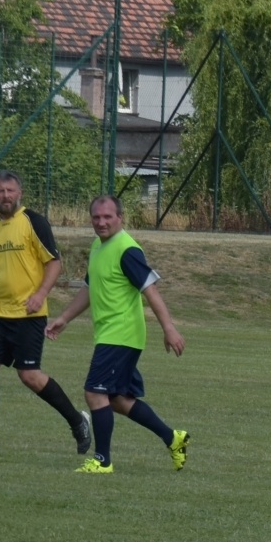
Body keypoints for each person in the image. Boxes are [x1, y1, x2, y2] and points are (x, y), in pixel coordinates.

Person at [44, 196, 189, 475]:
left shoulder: (127, 250)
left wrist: (169, 328)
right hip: (111, 335)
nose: (101, 222)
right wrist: (64, 318)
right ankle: (173, 438)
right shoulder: (99, 246)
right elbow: (90, 287)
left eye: (107, 217)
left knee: (94, 392)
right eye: (96, 217)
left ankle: (102, 460)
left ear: (120, 218)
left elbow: (151, 291)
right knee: (117, 400)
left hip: (121, 335)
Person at [0, 170, 92, 454]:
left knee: (29, 375)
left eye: (10, 190)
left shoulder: (33, 222)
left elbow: (54, 264)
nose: (5, 196)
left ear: (20, 193)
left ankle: (77, 421)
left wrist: (40, 295)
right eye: (0, 191)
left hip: (29, 315)